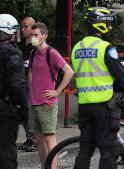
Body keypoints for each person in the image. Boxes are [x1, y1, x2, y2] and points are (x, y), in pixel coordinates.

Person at [71, 7, 124, 169]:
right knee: (109, 150)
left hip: (84, 107)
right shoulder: (105, 48)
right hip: (105, 106)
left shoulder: (77, 48)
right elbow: (123, 81)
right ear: (101, 25)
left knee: (85, 151)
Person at [28, 22, 74, 169]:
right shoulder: (33, 53)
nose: (32, 38)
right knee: (39, 140)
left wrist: (57, 91)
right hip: (34, 102)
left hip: (47, 103)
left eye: (36, 35)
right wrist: (31, 89)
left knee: (49, 138)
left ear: (44, 36)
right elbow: (30, 72)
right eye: (32, 35)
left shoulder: (51, 53)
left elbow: (69, 72)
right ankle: (44, 167)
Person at [0, 14, 29, 169]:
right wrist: (24, 109)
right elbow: (16, 85)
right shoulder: (11, 53)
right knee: (6, 153)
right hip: (5, 109)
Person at [17, 16, 38, 152]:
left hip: (34, 86)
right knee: (24, 111)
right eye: (22, 26)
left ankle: (34, 140)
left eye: (26, 26)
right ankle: (30, 138)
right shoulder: (20, 45)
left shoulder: (37, 45)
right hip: (21, 84)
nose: (23, 29)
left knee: (30, 111)